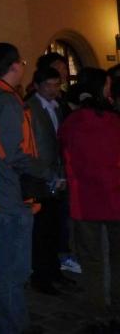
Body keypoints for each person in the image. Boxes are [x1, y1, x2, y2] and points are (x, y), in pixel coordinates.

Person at [0, 43, 39, 334]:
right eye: (21, 62)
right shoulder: (6, 100)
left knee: (4, 268)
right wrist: (44, 172)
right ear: (13, 66)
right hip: (8, 195)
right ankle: (12, 327)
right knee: (14, 271)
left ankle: (9, 323)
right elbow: (12, 153)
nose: (23, 67)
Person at [59, 67, 120, 329]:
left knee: (92, 259)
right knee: (117, 256)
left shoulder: (72, 122)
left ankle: (97, 311)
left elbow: (65, 153)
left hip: (84, 199)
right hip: (115, 196)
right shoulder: (114, 121)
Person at [26, 67, 73, 296]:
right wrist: (46, 173)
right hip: (39, 177)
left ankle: (54, 271)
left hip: (57, 176)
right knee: (41, 230)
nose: (54, 89)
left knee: (55, 227)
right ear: (37, 86)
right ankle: (41, 276)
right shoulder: (30, 109)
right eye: (49, 85)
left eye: (57, 85)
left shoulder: (57, 106)